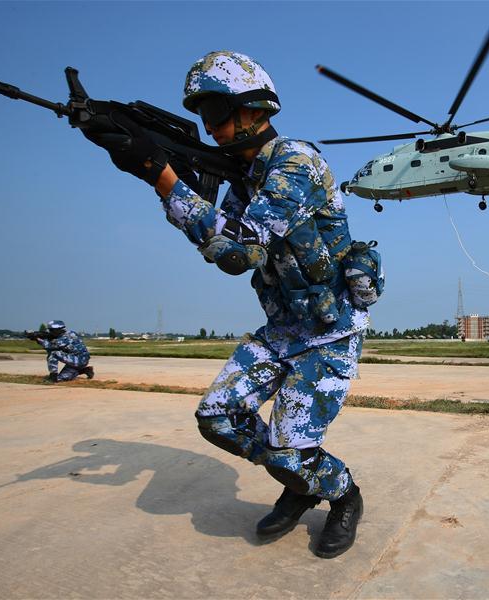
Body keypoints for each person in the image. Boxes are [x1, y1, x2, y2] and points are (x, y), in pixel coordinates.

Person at [82, 51, 382, 558]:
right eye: (203, 114)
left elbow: (240, 250)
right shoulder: (241, 182)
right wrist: (160, 169)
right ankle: (303, 478)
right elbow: (223, 244)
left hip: (330, 333)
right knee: (218, 416)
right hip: (283, 329)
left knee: (289, 445)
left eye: (218, 111)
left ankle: (342, 494)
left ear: (255, 109)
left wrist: (162, 177)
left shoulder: (295, 164)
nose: (210, 125)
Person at [27, 320, 93, 382]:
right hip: (75, 360)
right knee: (62, 378)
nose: (50, 332)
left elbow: (49, 346)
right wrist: (41, 335)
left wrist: (37, 339)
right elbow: (51, 337)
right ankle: (85, 370)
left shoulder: (66, 337)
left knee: (53, 353)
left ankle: (53, 376)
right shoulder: (70, 333)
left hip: (79, 359)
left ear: (59, 330)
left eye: (52, 330)